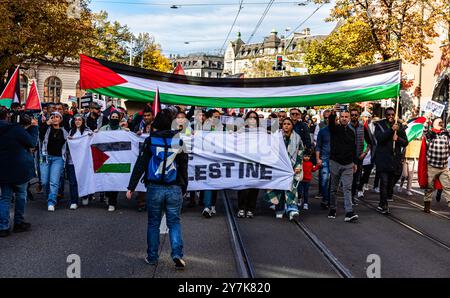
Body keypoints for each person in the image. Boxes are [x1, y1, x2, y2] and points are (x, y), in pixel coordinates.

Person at [126, 109, 188, 269]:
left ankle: (152, 257)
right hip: (174, 186)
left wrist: (131, 187)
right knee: (174, 222)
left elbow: (141, 164)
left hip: (154, 187)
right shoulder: (179, 140)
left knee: (153, 222)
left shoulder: (151, 140)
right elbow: (184, 166)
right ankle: (177, 254)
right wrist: (184, 186)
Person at [0, 107, 39, 237]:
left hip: (3, 169)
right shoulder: (15, 129)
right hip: (19, 168)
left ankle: (3, 227)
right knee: (21, 195)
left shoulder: (14, 128)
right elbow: (31, 142)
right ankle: (18, 223)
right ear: (7, 116)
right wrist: (34, 127)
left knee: (5, 198)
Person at [266, 117, 303, 220]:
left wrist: (298, 165)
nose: (286, 125)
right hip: (279, 166)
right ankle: (279, 209)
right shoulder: (276, 137)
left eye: (288, 124)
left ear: (292, 126)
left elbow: (300, 152)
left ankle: (292, 209)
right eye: (284, 124)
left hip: (292, 167)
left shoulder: (297, 138)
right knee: (279, 188)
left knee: (292, 188)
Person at [374, 107, 409, 214]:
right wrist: (390, 130)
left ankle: (383, 201)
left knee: (390, 184)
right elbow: (379, 138)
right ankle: (384, 204)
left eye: (392, 114)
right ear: (385, 115)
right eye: (388, 114)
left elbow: (405, 142)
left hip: (394, 160)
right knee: (384, 182)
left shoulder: (399, 127)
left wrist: (397, 138)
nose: (390, 116)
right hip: (383, 159)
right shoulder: (379, 125)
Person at [327, 108, 359, 222]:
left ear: (349, 119)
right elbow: (330, 123)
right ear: (339, 118)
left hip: (348, 164)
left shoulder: (351, 132)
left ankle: (349, 212)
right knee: (333, 188)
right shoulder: (335, 129)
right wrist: (333, 113)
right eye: (342, 117)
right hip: (335, 162)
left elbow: (354, 148)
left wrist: (355, 162)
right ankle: (332, 208)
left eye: (346, 117)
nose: (344, 118)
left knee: (347, 188)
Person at [98, 110, 130, 212]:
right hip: (106, 158)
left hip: (117, 158)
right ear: (109, 118)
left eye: (117, 118)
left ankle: (112, 202)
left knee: (116, 179)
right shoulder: (103, 129)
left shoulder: (122, 130)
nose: (114, 119)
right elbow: (97, 139)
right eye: (113, 117)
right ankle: (107, 194)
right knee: (107, 178)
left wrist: (128, 133)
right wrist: (94, 133)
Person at [39, 111, 69, 212]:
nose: (55, 118)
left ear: (60, 119)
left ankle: (51, 201)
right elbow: (39, 132)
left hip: (58, 159)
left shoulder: (64, 131)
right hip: (46, 157)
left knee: (54, 182)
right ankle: (49, 197)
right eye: (53, 117)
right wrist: (47, 123)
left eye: (57, 117)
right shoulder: (46, 129)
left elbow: (72, 141)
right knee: (44, 182)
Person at [237, 111, 263, 219]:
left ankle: (251, 209)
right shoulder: (241, 131)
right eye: (250, 118)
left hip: (256, 161)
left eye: (254, 118)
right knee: (243, 186)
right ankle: (241, 208)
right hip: (244, 160)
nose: (252, 120)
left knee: (254, 186)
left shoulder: (262, 131)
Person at [422, 118, 450, 212]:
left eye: (442, 121)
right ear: (433, 124)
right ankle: (427, 205)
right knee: (429, 187)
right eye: (439, 121)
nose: (441, 123)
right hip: (432, 166)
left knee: (448, 187)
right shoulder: (431, 134)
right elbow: (425, 130)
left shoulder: (446, 133)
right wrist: (427, 119)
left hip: (444, 167)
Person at [66, 115, 93, 210]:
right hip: (72, 161)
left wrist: (92, 135)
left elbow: (93, 140)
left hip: (84, 162)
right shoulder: (70, 132)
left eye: (79, 120)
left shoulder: (87, 132)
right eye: (76, 120)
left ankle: (85, 195)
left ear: (83, 121)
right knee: (73, 181)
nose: (77, 121)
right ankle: (74, 201)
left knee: (84, 179)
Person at [348, 109, 372, 205]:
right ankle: (347, 198)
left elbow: (370, 142)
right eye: (352, 115)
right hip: (347, 158)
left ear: (358, 116)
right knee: (347, 180)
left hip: (358, 158)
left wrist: (365, 153)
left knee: (355, 180)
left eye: (355, 115)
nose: (354, 116)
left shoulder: (363, 128)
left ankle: (352, 198)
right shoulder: (346, 127)